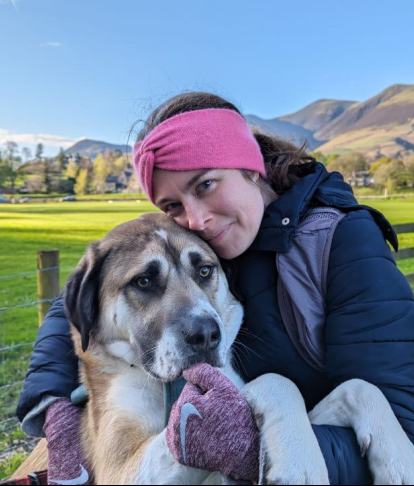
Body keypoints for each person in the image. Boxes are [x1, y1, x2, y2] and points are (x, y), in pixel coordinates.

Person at [16, 92, 414, 485]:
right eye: (172, 205)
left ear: (251, 168)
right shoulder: (201, 243)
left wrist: (248, 449)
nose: (197, 219)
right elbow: (83, 294)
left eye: (206, 184)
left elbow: (401, 420)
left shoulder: (340, 243)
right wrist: (54, 404)